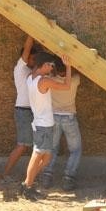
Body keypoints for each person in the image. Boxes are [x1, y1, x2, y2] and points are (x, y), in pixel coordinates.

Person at [20, 52, 73, 201]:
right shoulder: (43, 81)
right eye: (50, 65)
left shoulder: (30, 77)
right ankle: (27, 186)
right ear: (44, 65)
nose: (52, 68)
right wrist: (68, 67)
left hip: (41, 123)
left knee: (47, 157)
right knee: (37, 155)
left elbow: (38, 65)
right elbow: (67, 85)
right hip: (43, 124)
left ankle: (28, 183)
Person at [37, 57, 82, 191]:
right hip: (69, 118)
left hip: (54, 117)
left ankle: (46, 176)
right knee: (75, 149)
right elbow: (77, 72)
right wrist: (69, 65)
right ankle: (68, 178)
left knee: (52, 149)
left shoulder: (50, 81)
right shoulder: (74, 80)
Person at [0, 36, 41, 181]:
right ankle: (5, 175)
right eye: (32, 58)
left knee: (35, 146)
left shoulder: (32, 71)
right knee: (22, 146)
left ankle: (30, 177)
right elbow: (27, 49)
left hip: (31, 111)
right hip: (23, 111)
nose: (34, 61)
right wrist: (31, 34)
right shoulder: (20, 67)